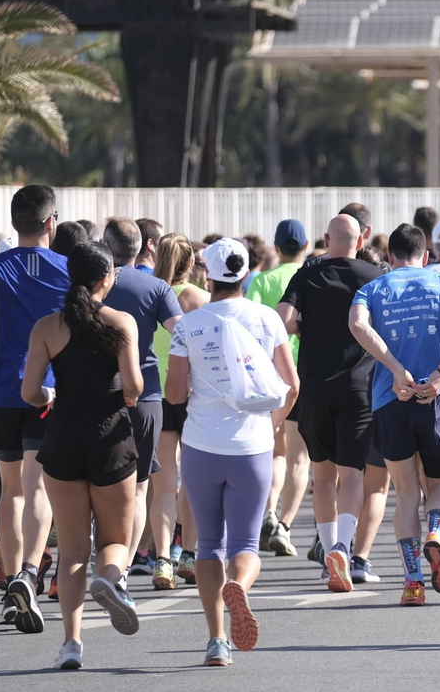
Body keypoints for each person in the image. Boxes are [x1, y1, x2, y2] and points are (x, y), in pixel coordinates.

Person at [168, 238, 298, 666]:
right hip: (253, 445)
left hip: (202, 444)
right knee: (245, 543)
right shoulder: (267, 318)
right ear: (246, 274)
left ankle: (217, 640)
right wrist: (273, 424)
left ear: (207, 274)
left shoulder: (189, 324)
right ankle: (239, 584)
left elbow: (173, 394)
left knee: (208, 545)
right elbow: (291, 386)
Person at [20, 242, 145, 670]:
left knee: (73, 550)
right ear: (107, 278)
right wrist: (126, 396)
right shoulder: (121, 322)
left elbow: (28, 392)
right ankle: (109, 581)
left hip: (63, 437)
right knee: (114, 541)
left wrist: (50, 395)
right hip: (110, 438)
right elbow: (133, 386)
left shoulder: (47, 327)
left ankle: (72, 644)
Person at [348, 224, 440, 606]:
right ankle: (437, 533)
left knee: (405, 492)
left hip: (392, 397)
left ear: (390, 258)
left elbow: (357, 324)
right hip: (436, 397)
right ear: (426, 256)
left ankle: (413, 583)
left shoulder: (372, 289)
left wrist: (393, 366)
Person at [0, 184, 69, 632]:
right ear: (52, 223)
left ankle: (9, 581)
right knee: (39, 485)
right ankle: (29, 571)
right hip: (47, 387)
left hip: (1, 387)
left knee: (9, 489)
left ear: (15, 224)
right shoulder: (66, 268)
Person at [277, 214, 392, 591]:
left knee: (322, 475)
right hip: (360, 389)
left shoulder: (307, 275)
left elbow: (285, 322)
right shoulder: (375, 278)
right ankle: (345, 546)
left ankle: (330, 556)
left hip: (314, 388)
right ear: (361, 241)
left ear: (326, 239)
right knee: (353, 474)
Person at [98, 219, 182, 584]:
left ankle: (100, 559)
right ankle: (123, 570)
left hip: (98, 394)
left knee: (98, 485)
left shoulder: (93, 285)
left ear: (105, 244)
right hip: (147, 394)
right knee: (140, 485)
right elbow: (182, 331)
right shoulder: (157, 287)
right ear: (143, 247)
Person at [148, 233, 208, 589]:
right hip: (193, 392)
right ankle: (189, 553)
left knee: (163, 485)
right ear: (191, 264)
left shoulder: (149, 296)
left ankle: (162, 559)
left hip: (155, 393)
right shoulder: (201, 300)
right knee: (195, 480)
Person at [246, 219, 307, 556]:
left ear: (276, 246)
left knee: (273, 451)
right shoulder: (309, 277)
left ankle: (266, 513)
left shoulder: (263, 281)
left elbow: (251, 324)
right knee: (298, 457)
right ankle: (284, 524)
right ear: (307, 245)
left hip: (266, 377)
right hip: (301, 377)